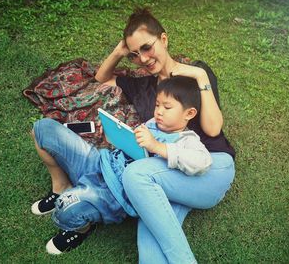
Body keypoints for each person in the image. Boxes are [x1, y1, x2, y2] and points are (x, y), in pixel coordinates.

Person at [94, 8, 236, 264]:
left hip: (210, 166)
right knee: (149, 249)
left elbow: (213, 129)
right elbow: (101, 78)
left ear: (164, 39)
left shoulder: (195, 74)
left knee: (135, 175)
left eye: (147, 48)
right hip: (172, 173)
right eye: (135, 55)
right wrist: (119, 51)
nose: (143, 59)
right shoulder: (143, 86)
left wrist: (201, 76)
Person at [31, 75, 212, 255]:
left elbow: (202, 162)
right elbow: (132, 148)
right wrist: (115, 136)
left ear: (189, 113)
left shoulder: (188, 140)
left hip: (116, 192)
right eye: (157, 105)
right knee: (44, 128)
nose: (159, 111)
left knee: (66, 206)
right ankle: (66, 186)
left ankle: (81, 228)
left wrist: (157, 147)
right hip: (102, 164)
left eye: (167, 107)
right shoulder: (153, 123)